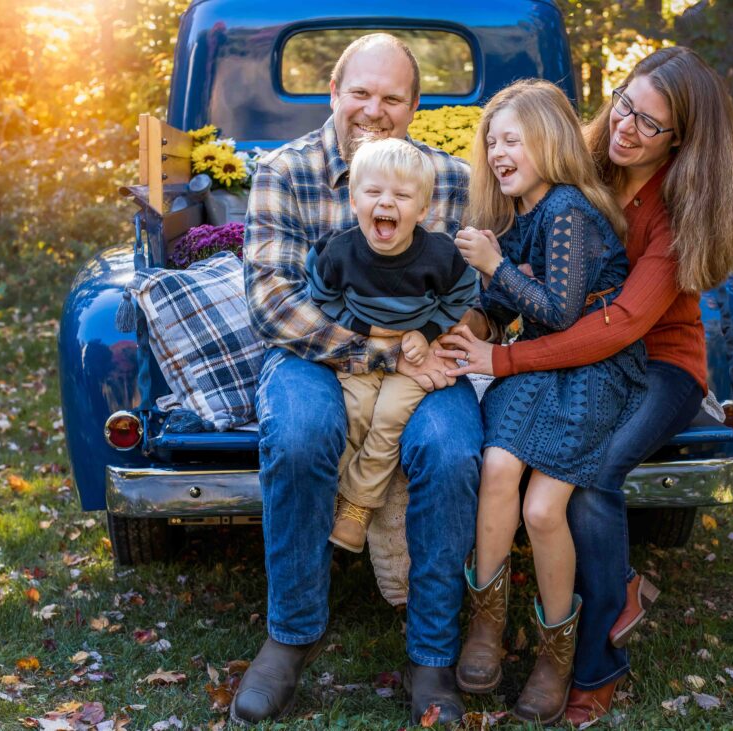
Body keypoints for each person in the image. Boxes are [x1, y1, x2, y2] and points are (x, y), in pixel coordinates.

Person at [440, 46, 733, 725]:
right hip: (572, 355)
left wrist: (501, 361)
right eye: (625, 105)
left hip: (656, 363)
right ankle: (525, 613)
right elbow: (524, 255)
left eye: (650, 123)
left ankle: (593, 662)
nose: (627, 127)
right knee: (518, 471)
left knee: (592, 481)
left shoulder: (676, 208)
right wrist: (477, 319)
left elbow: (616, 325)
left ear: (680, 139)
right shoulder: (580, 168)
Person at [234, 33, 491, 726]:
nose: (374, 109)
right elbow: (273, 301)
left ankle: (432, 651)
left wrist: (450, 341)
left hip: (424, 360)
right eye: (360, 92)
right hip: (314, 355)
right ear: (334, 94)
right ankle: (291, 633)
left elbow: (476, 295)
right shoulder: (284, 170)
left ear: (413, 107)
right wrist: (379, 354)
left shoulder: (452, 180)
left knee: (452, 450)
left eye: (392, 97)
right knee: (300, 432)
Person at [450, 79, 647, 726]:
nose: (497, 150)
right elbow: (508, 306)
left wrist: (494, 263)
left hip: (592, 367)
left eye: (512, 139)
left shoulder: (566, 208)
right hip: (540, 363)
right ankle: (486, 624)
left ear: (549, 142)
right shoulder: (523, 212)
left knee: (541, 509)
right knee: (498, 469)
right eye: (492, 140)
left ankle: (556, 650)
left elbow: (561, 313)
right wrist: (471, 328)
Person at [305, 138, 477, 553]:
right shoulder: (337, 252)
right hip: (362, 351)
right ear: (353, 200)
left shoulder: (440, 255)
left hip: (418, 357)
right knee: (356, 412)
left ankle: (357, 508)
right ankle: (339, 493)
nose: (387, 203)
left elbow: (462, 298)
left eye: (401, 195)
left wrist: (427, 333)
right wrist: (368, 330)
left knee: (387, 419)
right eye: (374, 192)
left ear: (422, 210)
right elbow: (322, 298)